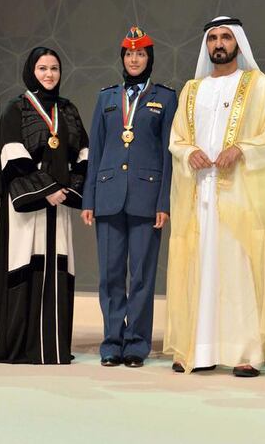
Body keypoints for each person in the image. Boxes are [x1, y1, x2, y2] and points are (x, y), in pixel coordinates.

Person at [165, 16, 265, 376]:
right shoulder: (192, 89)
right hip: (200, 193)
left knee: (238, 269)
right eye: (213, 38)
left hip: (241, 196)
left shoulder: (260, 85)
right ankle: (199, 349)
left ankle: (245, 352)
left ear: (238, 43)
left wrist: (243, 149)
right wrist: (190, 154)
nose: (219, 44)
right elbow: (177, 138)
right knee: (199, 267)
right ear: (206, 45)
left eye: (226, 37)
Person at [81, 27, 176, 368]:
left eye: (141, 54)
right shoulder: (106, 97)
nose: (134, 59)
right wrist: (88, 199)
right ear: (122, 58)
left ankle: (136, 342)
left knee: (141, 276)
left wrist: (164, 202)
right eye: (129, 54)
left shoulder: (165, 98)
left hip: (146, 197)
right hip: (107, 195)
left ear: (149, 58)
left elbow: (169, 155)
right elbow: (96, 151)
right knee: (109, 275)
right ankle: (111, 341)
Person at [0, 47, 89, 365]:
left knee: (59, 266)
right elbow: (10, 155)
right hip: (29, 206)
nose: (49, 74)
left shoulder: (69, 109)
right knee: (25, 265)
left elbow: (84, 155)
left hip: (59, 205)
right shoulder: (16, 108)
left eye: (55, 69)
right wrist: (44, 191)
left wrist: (66, 192)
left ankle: (54, 346)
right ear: (30, 71)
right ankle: (20, 347)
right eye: (42, 68)